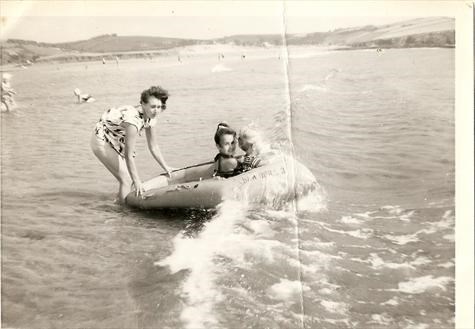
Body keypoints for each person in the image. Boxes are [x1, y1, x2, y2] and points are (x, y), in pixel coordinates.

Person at [91, 85, 174, 203]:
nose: (156, 110)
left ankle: (117, 203)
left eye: (159, 107)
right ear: (143, 104)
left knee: (127, 178)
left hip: (117, 137)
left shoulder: (151, 117)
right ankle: (122, 212)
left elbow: (153, 146)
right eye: (153, 106)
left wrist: (165, 166)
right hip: (101, 138)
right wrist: (137, 181)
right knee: (127, 180)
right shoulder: (133, 121)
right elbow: (128, 155)